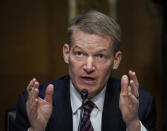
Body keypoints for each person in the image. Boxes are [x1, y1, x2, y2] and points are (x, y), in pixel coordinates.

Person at [15, 10, 156, 131]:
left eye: (100, 56)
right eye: (80, 54)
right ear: (66, 53)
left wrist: (133, 124)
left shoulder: (140, 105)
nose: (89, 67)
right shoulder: (34, 104)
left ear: (116, 60)